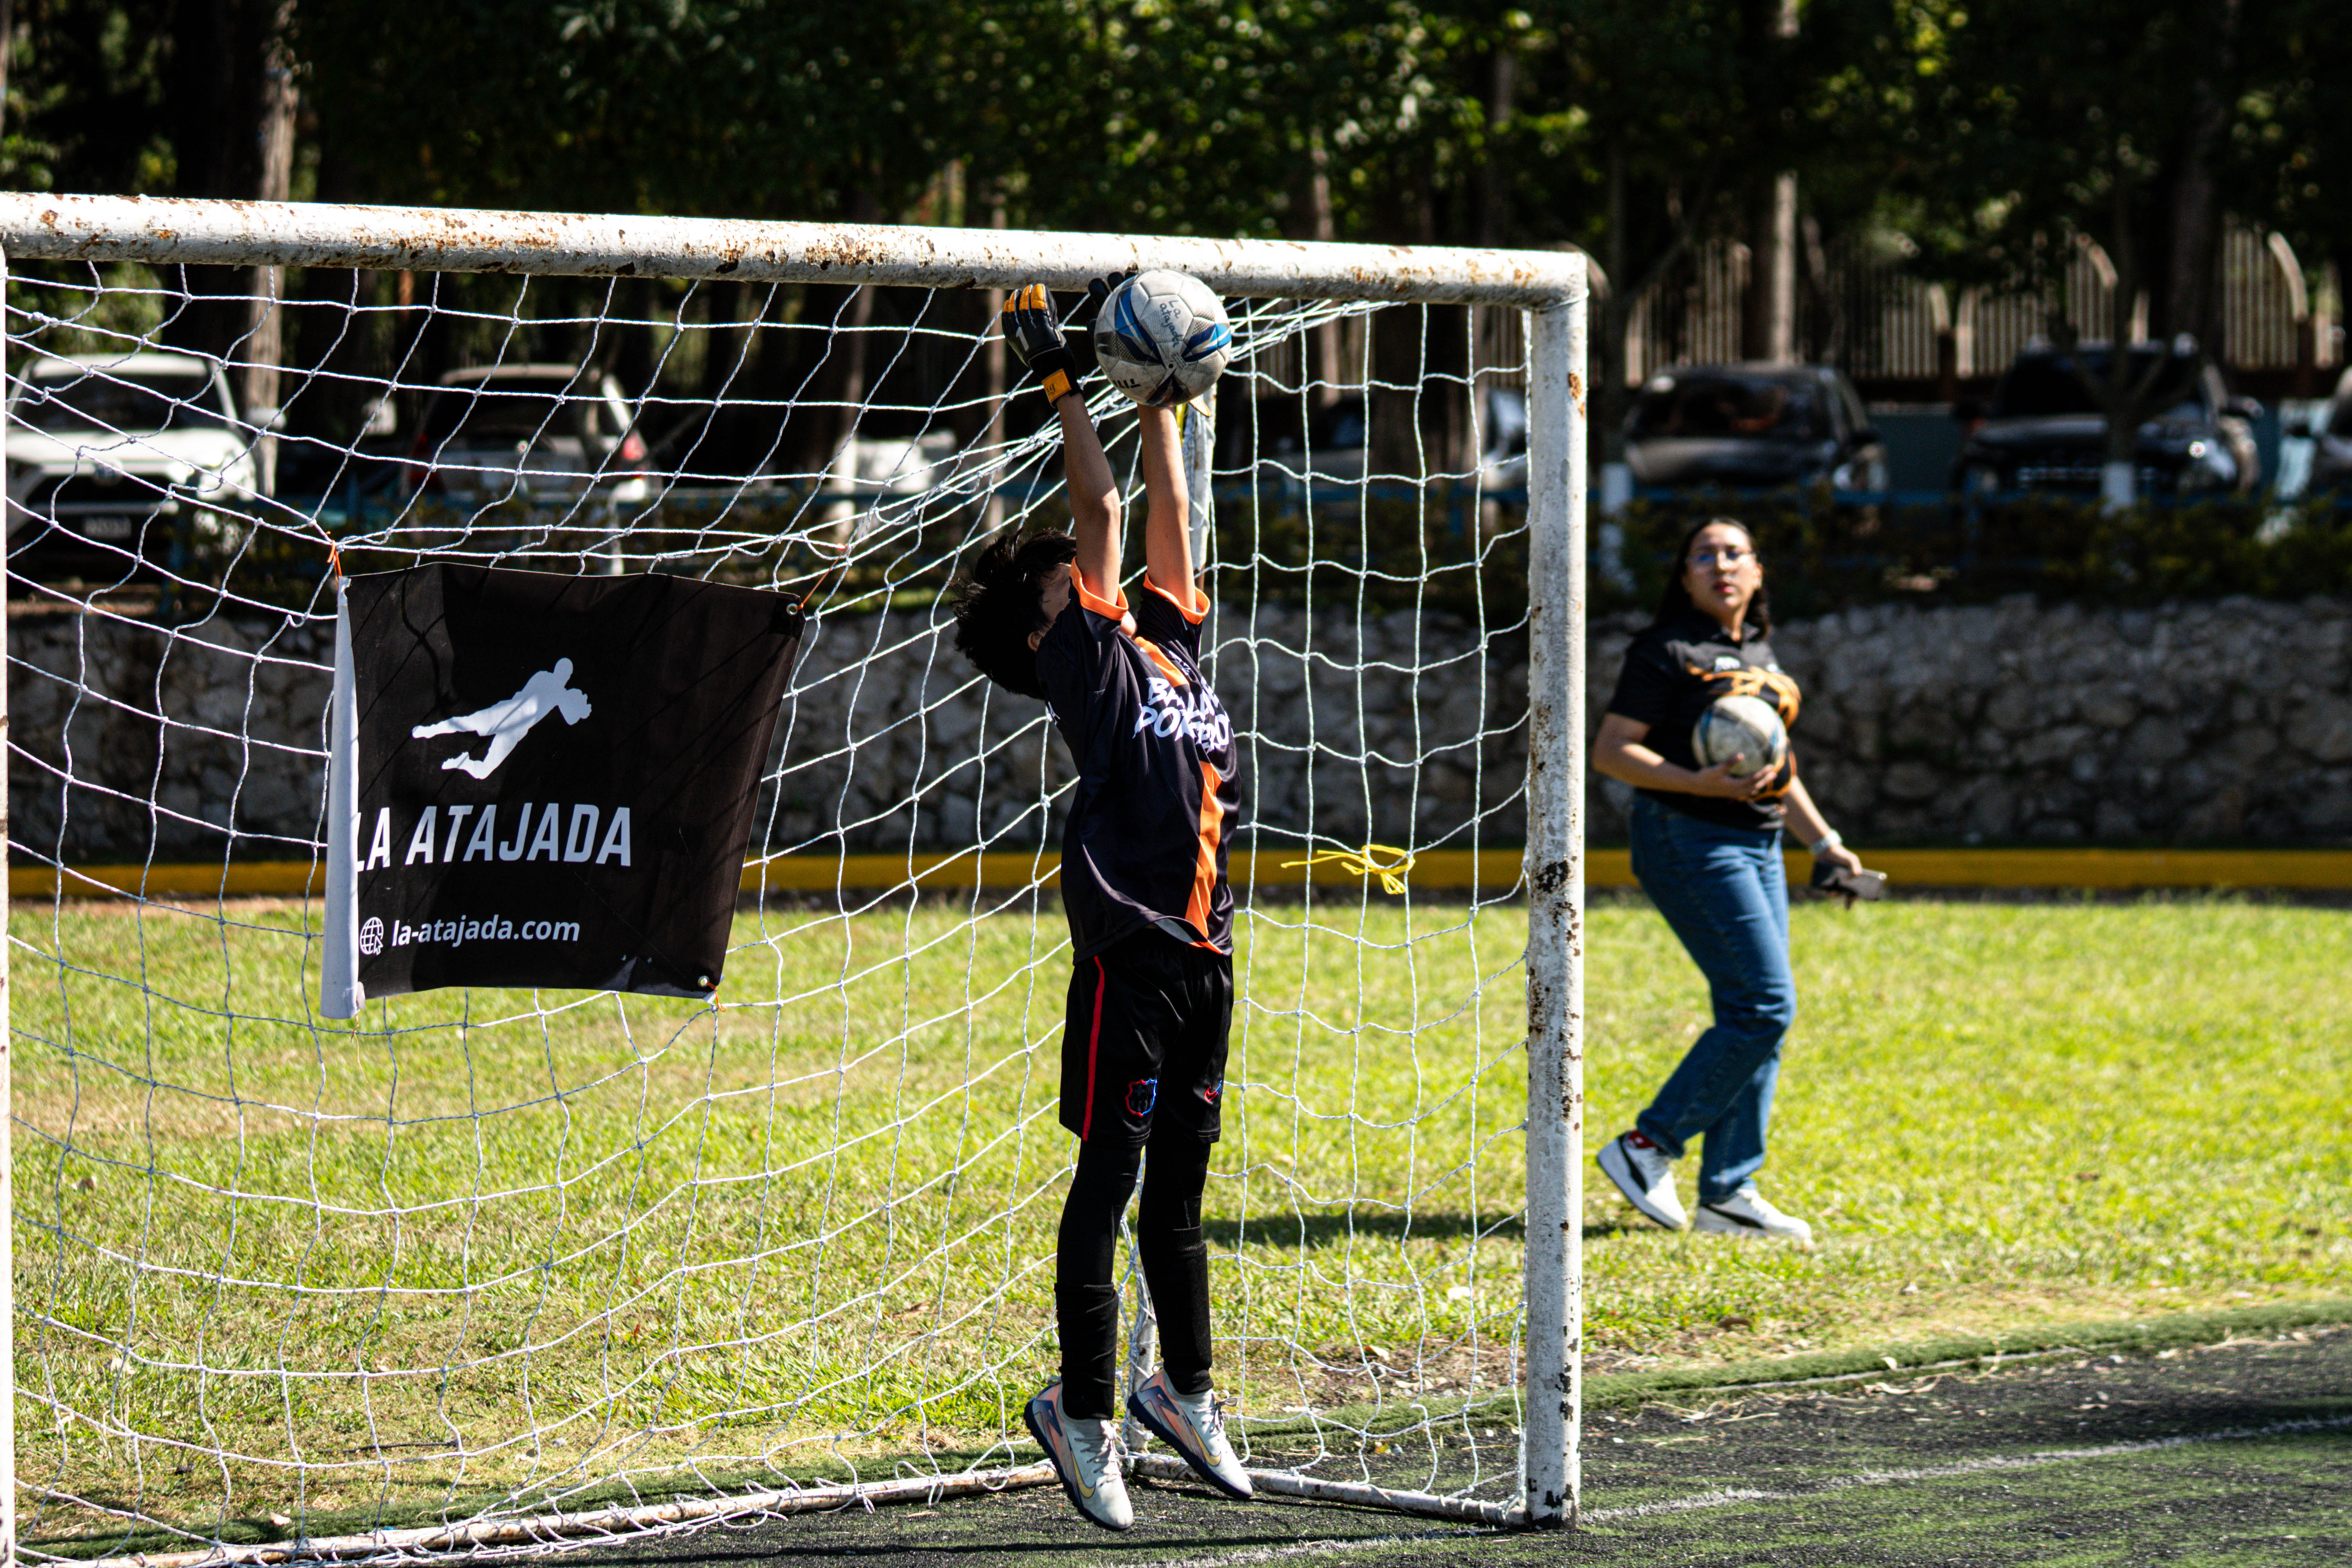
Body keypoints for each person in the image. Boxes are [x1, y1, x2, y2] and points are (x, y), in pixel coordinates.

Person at [949, 280, 1250, 1531]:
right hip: (1128, 958)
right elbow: (1108, 505)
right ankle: (1080, 1410)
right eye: (1076, 572)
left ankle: (1183, 1390)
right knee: (1110, 1180)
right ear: (1049, 619)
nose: (1100, 569)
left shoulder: (1171, 641)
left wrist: (1168, 401)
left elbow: (1163, 508)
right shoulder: (1080, 659)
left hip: (1207, 958)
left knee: (1181, 1189)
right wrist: (1071, 389)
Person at [1589, 517, 1864, 1243]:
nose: (1720, 565)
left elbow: (1781, 767)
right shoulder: (1666, 652)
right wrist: (1697, 785)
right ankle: (1647, 1147)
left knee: (1758, 1019)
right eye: (1703, 555)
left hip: (1761, 846)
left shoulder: (1762, 656)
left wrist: (1827, 843)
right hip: (1689, 838)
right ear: (1683, 577)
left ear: (1758, 570)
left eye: (1734, 553)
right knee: (1765, 1005)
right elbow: (1614, 753)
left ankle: (1728, 1193)